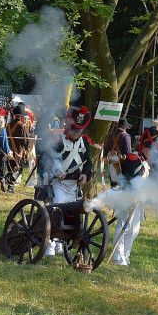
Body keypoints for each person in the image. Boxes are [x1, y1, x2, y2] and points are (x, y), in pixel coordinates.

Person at [43, 106, 93, 256]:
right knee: (56, 213)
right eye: (74, 130)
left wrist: (85, 174)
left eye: (80, 131)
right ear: (68, 127)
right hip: (59, 183)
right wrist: (56, 170)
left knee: (69, 216)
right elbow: (47, 159)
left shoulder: (84, 141)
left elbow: (88, 162)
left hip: (74, 185)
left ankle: (62, 246)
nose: (77, 134)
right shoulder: (58, 141)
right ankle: (49, 246)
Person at [111, 136, 154, 266]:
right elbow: (128, 178)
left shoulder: (144, 161)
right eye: (150, 149)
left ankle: (126, 256)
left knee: (134, 230)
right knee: (124, 226)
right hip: (128, 196)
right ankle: (117, 256)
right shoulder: (133, 158)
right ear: (144, 147)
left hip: (138, 199)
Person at [5, 105, 32, 193]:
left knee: (11, 169)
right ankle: (5, 181)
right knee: (19, 170)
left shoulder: (8, 125)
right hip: (18, 151)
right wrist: (27, 148)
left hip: (9, 150)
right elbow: (25, 139)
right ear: (20, 116)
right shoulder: (22, 126)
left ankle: (9, 186)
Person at [103, 117, 132, 188]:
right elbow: (128, 152)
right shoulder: (126, 136)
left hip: (111, 161)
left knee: (113, 182)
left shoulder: (111, 135)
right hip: (121, 163)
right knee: (122, 184)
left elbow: (107, 148)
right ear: (125, 127)